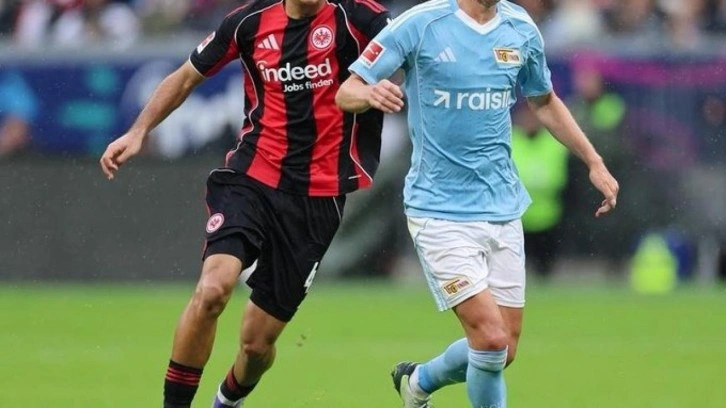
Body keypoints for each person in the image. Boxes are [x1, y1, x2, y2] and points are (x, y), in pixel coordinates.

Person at [99, 0, 390, 407]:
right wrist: (138, 131)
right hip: (252, 178)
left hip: (318, 197)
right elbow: (185, 77)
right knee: (213, 290)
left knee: (256, 345)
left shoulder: (360, 17)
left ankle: (226, 401)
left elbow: (418, 48)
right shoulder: (247, 22)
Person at [335, 0, 619, 407]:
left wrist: (594, 161)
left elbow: (543, 100)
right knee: (489, 339)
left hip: (502, 208)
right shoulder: (421, 23)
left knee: (504, 350)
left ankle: (418, 381)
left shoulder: (520, 28)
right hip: (439, 212)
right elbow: (347, 91)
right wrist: (369, 91)